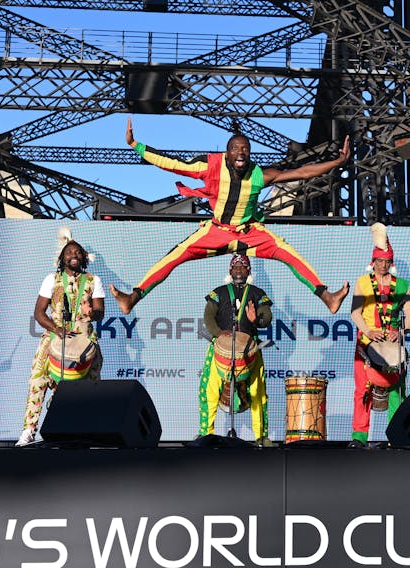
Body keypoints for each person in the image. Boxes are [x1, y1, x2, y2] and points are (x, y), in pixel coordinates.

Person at [110, 117, 350, 315]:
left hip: (250, 233)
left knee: (290, 254)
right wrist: (135, 145)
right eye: (235, 148)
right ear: (227, 153)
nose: (241, 152)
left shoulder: (259, 175)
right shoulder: (209, 166)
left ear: (250, 153)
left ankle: (327, 297)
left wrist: (338, 161)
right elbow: (172, 163)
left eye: (245, 149)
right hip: (217, 231)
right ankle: (133, 298)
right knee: (173, 257)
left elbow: (303, 172)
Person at [17, 227, 105, 446]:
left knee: (91, 385)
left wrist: (91, 312)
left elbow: (100, 312)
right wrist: (56, 329)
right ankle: (29, 430)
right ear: (62, 258)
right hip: (54, 336)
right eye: (69, 252)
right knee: (38, 379)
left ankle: (88, 431)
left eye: (77, 252)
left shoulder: (93, 280)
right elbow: (39, 313)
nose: (73, 255)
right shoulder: (52, 279)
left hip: (84, 339)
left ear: (84, 257)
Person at [349, 223, 410, 447]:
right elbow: (355, 312)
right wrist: (368, 330)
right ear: (373, 261)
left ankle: (396, 436)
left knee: (397, 392)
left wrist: (401, 331)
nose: (383, 265)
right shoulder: (362, 282)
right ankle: (359, 437)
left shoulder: (402, 285)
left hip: (392, 345)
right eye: (379, 261)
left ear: (391, 263)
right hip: (366, 343)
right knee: (362, 390)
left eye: (387, 262)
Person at [198, 254, 274, 447]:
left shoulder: (257, 293)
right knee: (209, 389)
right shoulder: (219, 292)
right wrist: (218, 333)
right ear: (230, 271)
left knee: (258, 392)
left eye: (243, 267)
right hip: (220, 349)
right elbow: (208, 316)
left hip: (250, 350)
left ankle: (261, 436)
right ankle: (205, 434)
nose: (239, 270)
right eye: (235, 267)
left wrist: (257, 319)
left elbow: (266, 316)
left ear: (248, 270)